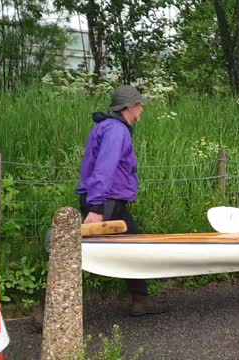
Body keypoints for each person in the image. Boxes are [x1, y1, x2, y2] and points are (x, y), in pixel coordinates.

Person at [75, 85, 167, 316]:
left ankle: (140, 300)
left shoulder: (109, 127)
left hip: (110, 202)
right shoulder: (116, 130)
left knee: (132, 247)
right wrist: (96, 208)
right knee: (81, 252)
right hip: (106, 203)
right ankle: (51, 308)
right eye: (139, 104)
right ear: (129, 106)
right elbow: (104, 170)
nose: (142, 108)